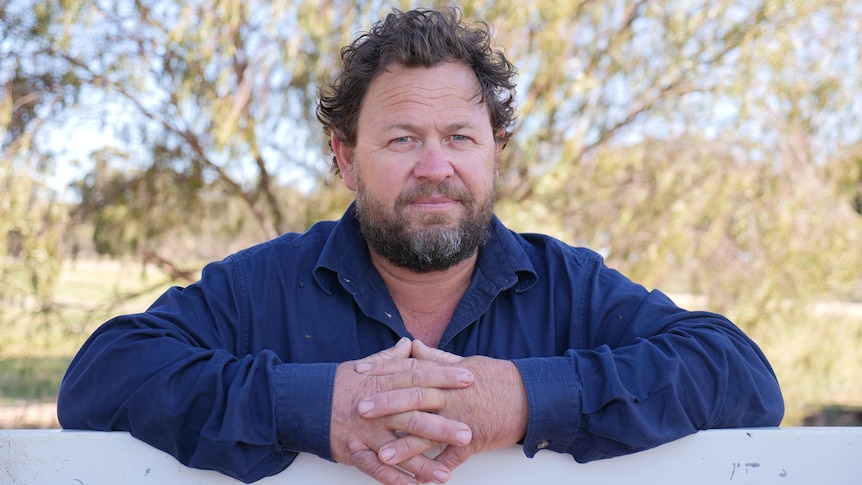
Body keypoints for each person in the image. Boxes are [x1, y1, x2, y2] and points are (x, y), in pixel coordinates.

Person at [57, 6, 784, 485]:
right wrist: (309, 405)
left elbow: (744, 380)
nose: (435, 167)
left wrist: (527, 398)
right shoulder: (259, 289)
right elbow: (100, 380)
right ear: (344, 157)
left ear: (494, 151)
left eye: (460, 138)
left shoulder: (572, 287)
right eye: (402, 139)